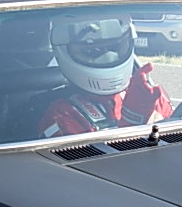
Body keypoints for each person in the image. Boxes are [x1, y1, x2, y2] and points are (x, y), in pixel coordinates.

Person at [38, 18, 173, 138]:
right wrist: (132, 122)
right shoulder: (62, 113)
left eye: (114, 47)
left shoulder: (148, 94)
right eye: (92, 51)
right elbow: (87, 164)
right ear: (63, 51)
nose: (109, 56)